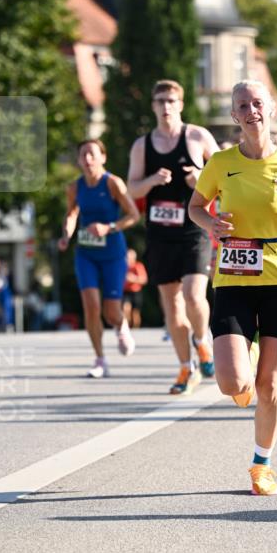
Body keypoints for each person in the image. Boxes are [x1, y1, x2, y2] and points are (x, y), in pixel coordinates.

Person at [188, 79, 277, 495]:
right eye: (243, 105)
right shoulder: (221, 163)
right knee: (233, 384)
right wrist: (212, 223)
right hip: (233, 278)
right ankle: (249, 353)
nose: (251, 110)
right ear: (234, 115)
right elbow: (196, 206)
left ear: (271, 109)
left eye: (258, 103)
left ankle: (261, 465)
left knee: (270, 386)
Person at [127, 79, 220, 395]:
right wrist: (152, 180)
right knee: (172, 309)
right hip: (159, 234)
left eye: (171, 101)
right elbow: (132, 188)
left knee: (195, 296)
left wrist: (201, 179)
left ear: (181, 104)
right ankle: (186, 367)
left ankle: (202, 340)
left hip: (194, 228)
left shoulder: (196, 136)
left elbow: (226, 178)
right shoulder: (143, 146)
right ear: (153, 106)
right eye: (160, 101)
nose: (166, 107)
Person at [59, 139, 140, 378]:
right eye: (83, 155)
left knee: (111, 311)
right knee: (91, 306)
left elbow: (133, 215)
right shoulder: (75, 187)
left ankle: (121, 325)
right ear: (78, 160)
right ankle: (100, 359)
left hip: (114, 254)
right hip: (86, 254)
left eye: (92, 154)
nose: (87, 159)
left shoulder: (113, 183)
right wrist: (66, 234)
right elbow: (72, 214)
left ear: (102, 158)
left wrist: (109, 227)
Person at [122, 248, 148, 329]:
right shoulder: (123, 267)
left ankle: (135, 328)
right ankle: (126, 326)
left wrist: (133, 279)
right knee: (125, 309)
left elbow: (144, 280)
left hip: (136, 291)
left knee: (135, 312)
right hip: (126, 291)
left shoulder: (138, 266)